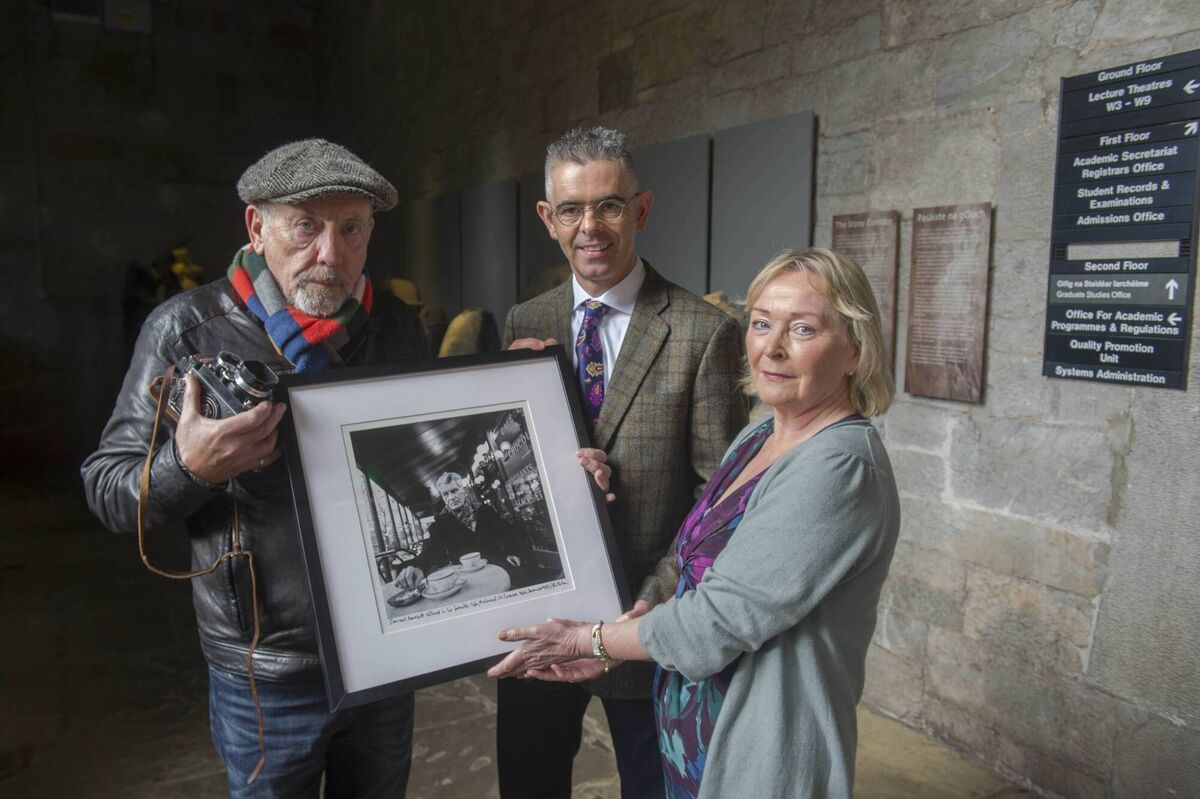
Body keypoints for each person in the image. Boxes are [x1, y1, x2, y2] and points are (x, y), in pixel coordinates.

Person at [81, 138, 431, 796]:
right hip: (269, 669)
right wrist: (189, 466)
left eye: (351, 229)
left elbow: (424, 463)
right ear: (256, 226)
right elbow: (107, 487)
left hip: (388, 646)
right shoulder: (185, 331)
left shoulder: (397, 330)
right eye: (306, 226)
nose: (330, 253)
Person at [490, 247, 901, 799]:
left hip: (760, 755)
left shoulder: (840, 465)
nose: (772, 348)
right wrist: (643, 611)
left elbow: (719, 619)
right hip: (695, 739)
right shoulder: (761, 434)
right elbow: (693, 562)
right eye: (760, 323)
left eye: (802, 329)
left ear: (854, 349)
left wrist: (594, 642)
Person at [499, 126, 748, 798]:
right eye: (573, 209)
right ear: (548, 219)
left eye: (609, 205)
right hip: (543, 619)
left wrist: (656, 597)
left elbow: (717, 498)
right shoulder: (528, 316)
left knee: (651, 787)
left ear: (639, 210)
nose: (592, 227)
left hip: (643, 623)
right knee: (528, 781)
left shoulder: (703, 331)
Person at [394, 471, 547, 590]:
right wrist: (418, 566)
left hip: (498, 566)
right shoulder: (441, 523)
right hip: (468, 577)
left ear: (464, 490)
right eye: (445, 494)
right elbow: (432, 548)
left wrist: (513, 552)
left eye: (454, 490)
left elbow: (507, 533)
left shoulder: (484, 511)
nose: (451, 497)